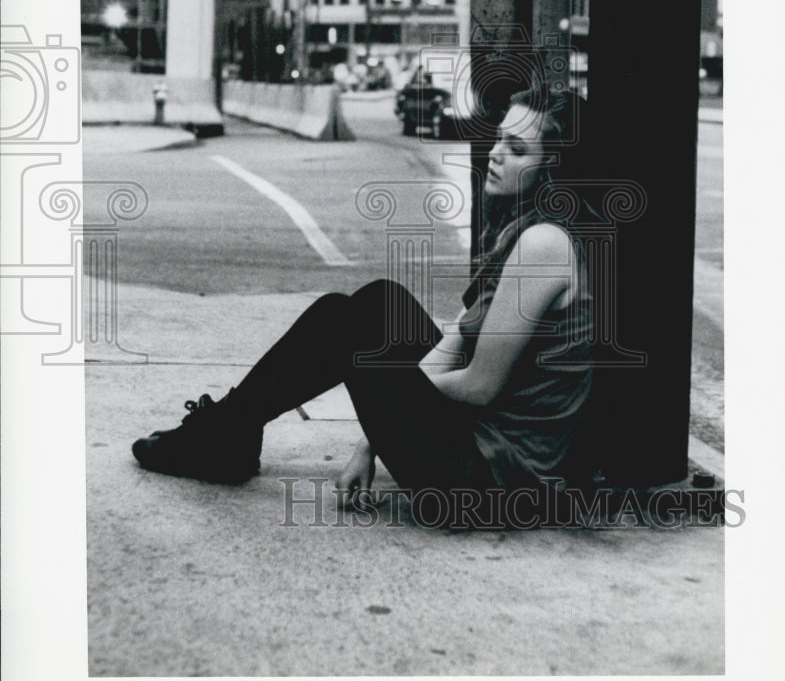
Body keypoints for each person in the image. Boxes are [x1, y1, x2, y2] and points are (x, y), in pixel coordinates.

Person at [132, 85, 595, 528]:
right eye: (499, 138)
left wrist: (377, 410)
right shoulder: (523, 231)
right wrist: (373, 437)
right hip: (472, 444)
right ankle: (231, 431)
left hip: (491, 486)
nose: (494, 153)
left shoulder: (544, 243)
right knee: (379, 301)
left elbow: (480, 387)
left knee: (349, 333)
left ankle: (224, 436)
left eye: (516, 150)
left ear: (553, 170)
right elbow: (455, 342)